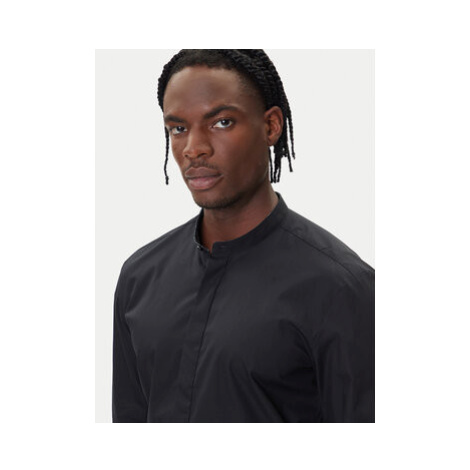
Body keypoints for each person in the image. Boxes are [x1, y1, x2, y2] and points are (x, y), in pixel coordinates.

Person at [112, 49, 375, 423]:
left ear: (271, 126)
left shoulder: (341, 288)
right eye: (178, 128)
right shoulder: (139, 277)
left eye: (221, 122)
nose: (194, 148)